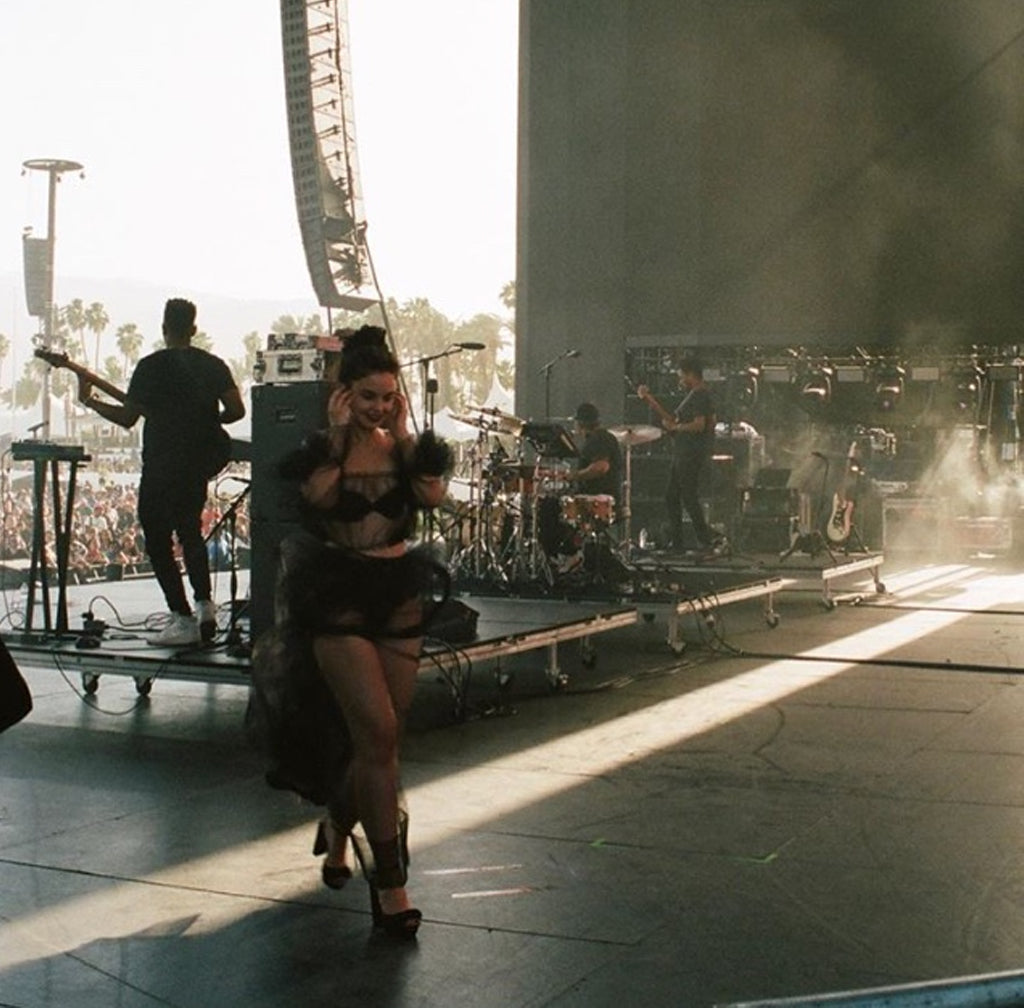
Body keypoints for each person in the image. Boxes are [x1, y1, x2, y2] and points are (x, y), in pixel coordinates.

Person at [248, 325, 451, 940]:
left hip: (397, 592)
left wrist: (408, 435)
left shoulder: (405, 448)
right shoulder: (321, 447)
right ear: (344, 394)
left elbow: (433, 496)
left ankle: (340, 827)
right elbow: (317, 496)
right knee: (378, 730)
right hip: (335, 596)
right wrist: (337, 436)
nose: (380, 407)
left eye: (389, 396)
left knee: (378, 744)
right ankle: (389, 883)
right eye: (368, 396)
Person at [77, 298, 245, 645]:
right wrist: (207, 420)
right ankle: (205, 605)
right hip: (196, 464)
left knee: (157, 541)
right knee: (190, 533)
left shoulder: (150, 367)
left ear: (164, 329)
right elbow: (236, 410)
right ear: (194, 329)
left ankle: (181, 618)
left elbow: (127, 418)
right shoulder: (213, 365)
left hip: (160, 465)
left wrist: (91, 401)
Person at [638, 357, 723, 553]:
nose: (680, 380)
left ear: (690, 374)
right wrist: (649, 400)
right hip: (684, 452)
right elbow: (671, 419)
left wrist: (677, 427)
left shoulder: (701, 394)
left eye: (681, 375)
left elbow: (699, 424)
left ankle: (701, 540)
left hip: (691, 453)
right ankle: (680, 543)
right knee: (673, 496)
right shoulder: (693, 395)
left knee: (687, 496)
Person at [568, 402, 622, 502]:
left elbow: (601, 467)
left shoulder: (600, 438)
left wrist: (574, 476)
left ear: (580, 423)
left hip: (598, 502)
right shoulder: (599, 438)